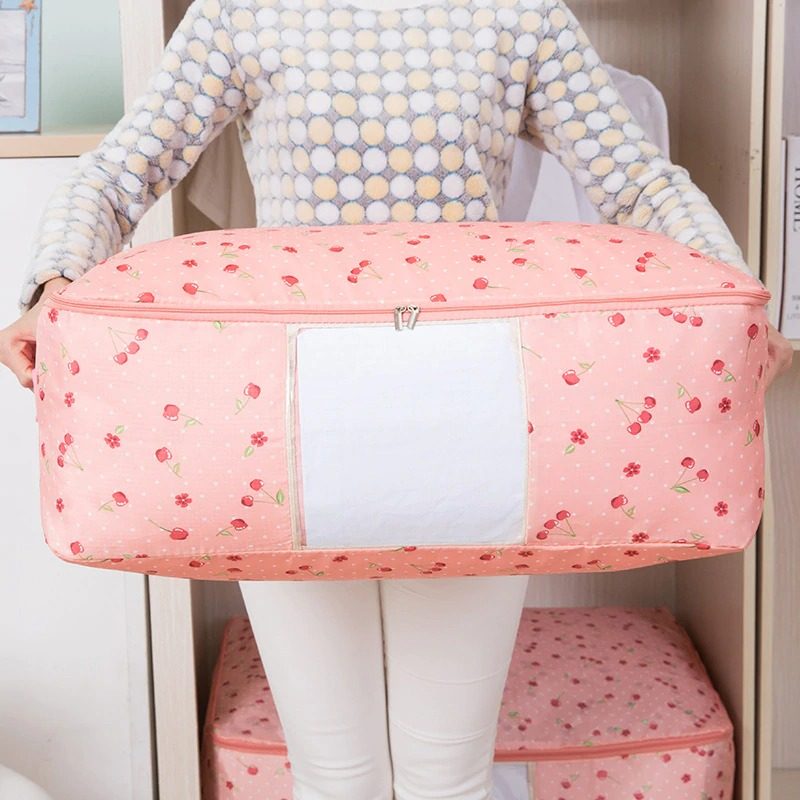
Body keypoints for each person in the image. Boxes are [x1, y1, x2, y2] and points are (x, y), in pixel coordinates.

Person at [0, 1, 793, 798]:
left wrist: (738, 303)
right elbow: (118, 171)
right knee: (332, 775)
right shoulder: (241, 14)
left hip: (466, 420)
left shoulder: (519, 14)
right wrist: (52, 284)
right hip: (286, 428)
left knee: (447, 775)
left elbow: (638, 180)